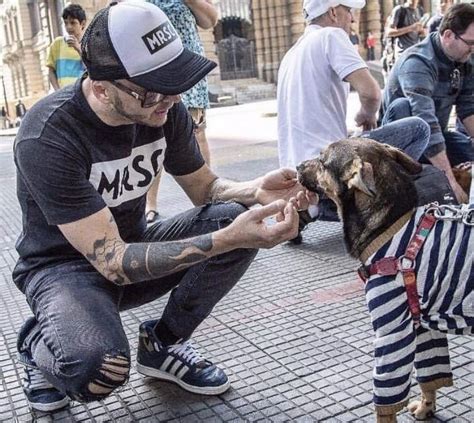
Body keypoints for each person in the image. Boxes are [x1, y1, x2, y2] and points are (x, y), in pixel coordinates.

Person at [13, 1, 313, 413]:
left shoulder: (161, 109)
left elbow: (206, 189)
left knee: (234, 218)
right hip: (63, 270)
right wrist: (226, 239)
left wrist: (254, 188)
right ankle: (37, 345)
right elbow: (113, 262)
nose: (171, 98)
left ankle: (163, 343)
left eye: (176, 81)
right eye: (153, 88)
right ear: (101, 88)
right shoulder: (48, 135)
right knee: (99, 369)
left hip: (134, 247)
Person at [278, 0, 430, 233]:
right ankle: (371, 207)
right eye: (348, 10)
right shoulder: (331, 36)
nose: (352, 18)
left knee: (399, 107)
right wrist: (365, 115)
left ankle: (316, 208)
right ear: (332, 12)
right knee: (418, 128)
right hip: (330, 169)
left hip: (299, 173)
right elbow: (371, 93)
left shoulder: (292, 53)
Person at [382, 3, 474, 204]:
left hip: (434, 137)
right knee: (404, 108)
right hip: (400, 145)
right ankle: (405, 181)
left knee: (468, 150)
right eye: (471, 43)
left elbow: (468, 110)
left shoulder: (465, 61)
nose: (473, 49)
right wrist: (449, 181)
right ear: (448, 35)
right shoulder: (417, 62)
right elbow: (426, 120)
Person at [144, 0, 217, 224]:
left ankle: (208, 198)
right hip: (154, 70)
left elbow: (210, 20)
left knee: (196, 131)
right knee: (154, 136)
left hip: (189, 69)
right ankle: (149, 204)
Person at [46, 4, 86, 90]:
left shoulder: (88, 44)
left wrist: (78, 48)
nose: (69, 27)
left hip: (82, 93)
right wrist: (57, 91)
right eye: (66, 23)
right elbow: (51, 71)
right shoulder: (57, 43)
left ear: (82, 24)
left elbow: (91, 68)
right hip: (63, 94)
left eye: (73, 23)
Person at [383, 0, 424, 73]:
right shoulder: (400, 10)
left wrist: (422, 31)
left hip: (416, 54)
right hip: (402, 55)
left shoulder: (419, 10)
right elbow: (389, 32)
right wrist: (410, 28)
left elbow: (418, 33)